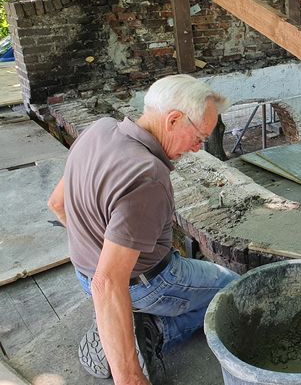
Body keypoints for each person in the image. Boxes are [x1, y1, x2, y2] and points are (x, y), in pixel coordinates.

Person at [47, 74, 238, 385]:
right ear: (174, 119)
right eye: (200, 138)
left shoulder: (99, 130)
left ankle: (125, 321)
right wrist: (131, 379)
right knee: (233, 292)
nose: (196, 149)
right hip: (145, 283)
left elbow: (57, 204)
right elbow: (108, 283)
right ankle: (153, 330)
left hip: (83, 274)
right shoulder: (148, 177)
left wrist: (98, 247)